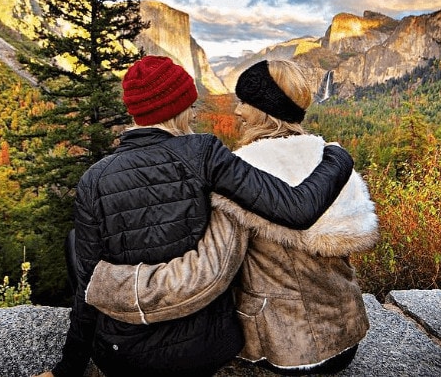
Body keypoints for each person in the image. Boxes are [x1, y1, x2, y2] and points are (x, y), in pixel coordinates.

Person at [32, 55, 354, 377]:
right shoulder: (205, 153)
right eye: (192, 105)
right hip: (208, 348)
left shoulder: (93, 180)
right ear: (180, 109)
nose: (196, 113)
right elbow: (297, 209)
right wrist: (337, 157)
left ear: (135, 113)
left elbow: (88, 290)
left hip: (123, 357)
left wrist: (67, 369)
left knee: (77, 246)